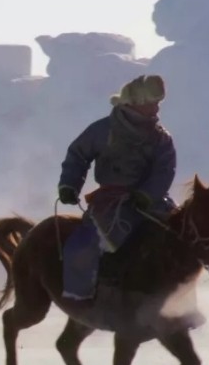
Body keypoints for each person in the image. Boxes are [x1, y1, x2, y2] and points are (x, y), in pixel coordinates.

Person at [57, 74, 177, 302]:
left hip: (152, 201)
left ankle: (180, 306)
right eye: (153, 102)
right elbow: (78, 155)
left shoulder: (161, 138)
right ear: (137, 102)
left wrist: (147, 195)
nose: (157, 108)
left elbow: (165, 170)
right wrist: (69, 184)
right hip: (109, 200)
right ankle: (80, 299)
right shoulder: (102, 130)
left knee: (182, 240)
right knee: (83, 245)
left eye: (158, 103)